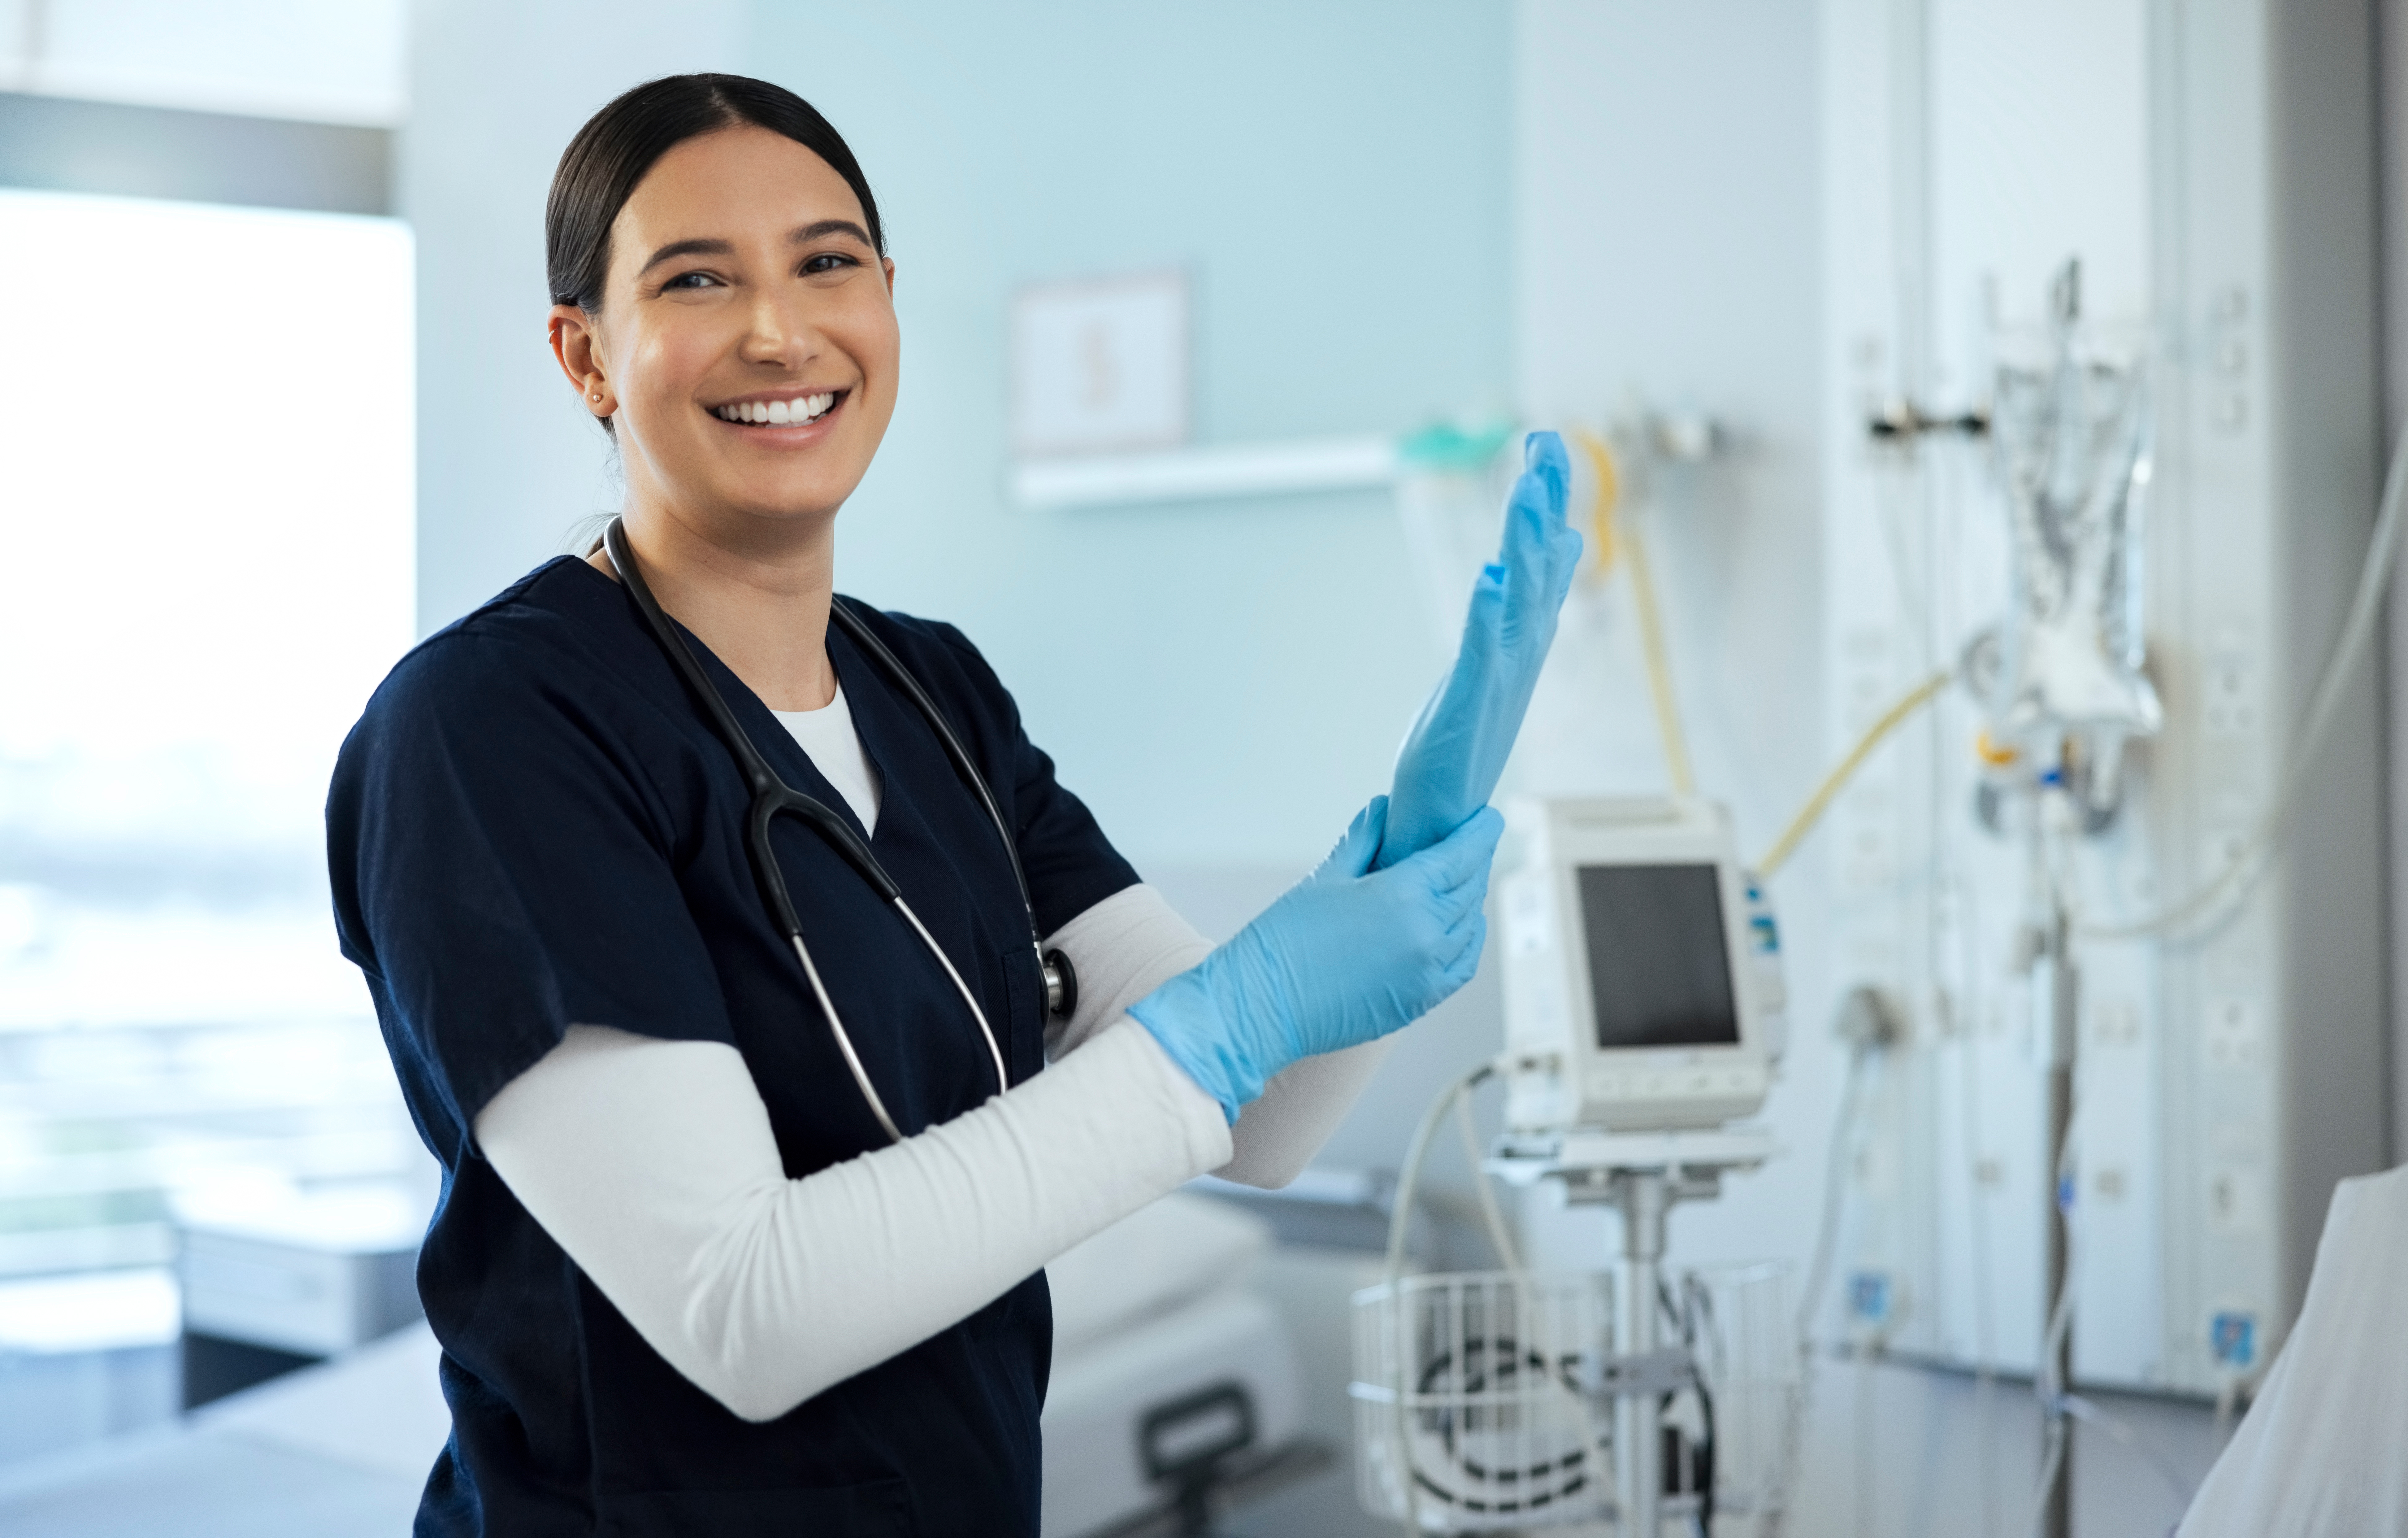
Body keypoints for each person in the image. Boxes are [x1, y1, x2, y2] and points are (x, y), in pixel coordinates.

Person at [327, 73, 1579, 1537]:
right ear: (586, 354)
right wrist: (1234, 1020)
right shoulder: (492, 729)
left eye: (827, 262)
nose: (781, 330)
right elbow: (745, 1309)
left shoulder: (932, 696)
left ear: (889, 300)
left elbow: (1264, 1124)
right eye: (696, 279)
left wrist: (1413, 848)